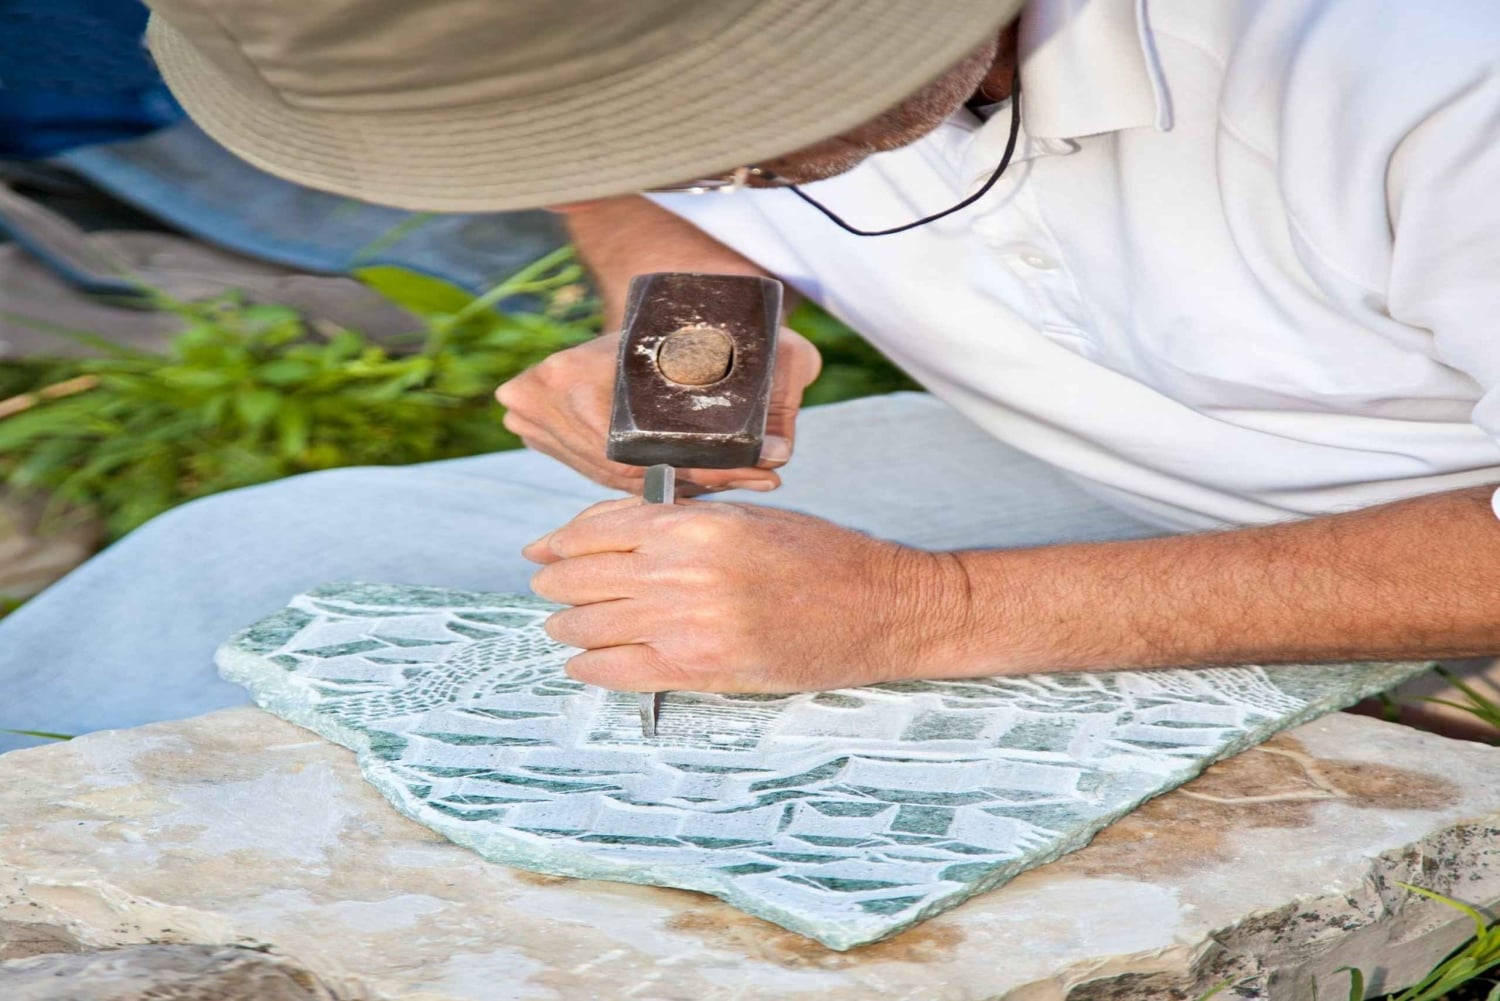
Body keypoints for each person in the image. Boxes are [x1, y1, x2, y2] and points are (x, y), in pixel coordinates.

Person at [3, 0, 1499, 750]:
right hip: (1065, 457)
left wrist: (936, 618)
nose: (688, 169)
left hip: (1443, 539)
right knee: (242, 569)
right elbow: (610, 178)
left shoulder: (1422, 66)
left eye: (720, 112)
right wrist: (684, 316)